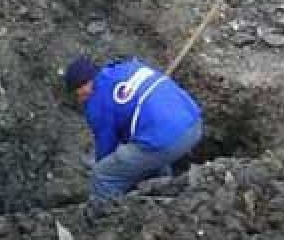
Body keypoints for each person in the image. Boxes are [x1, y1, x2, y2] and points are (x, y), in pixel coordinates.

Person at [64, 55, 203, 200]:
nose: (79, 100)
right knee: (143, 148)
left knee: (103, 175)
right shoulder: (128, 67)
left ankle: (105, 218)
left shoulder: (97, 101)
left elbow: (106, 145)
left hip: (167, 140)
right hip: (193, 123)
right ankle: (162, 188)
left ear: (85, 85)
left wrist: (107, 165)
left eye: (77, 94)